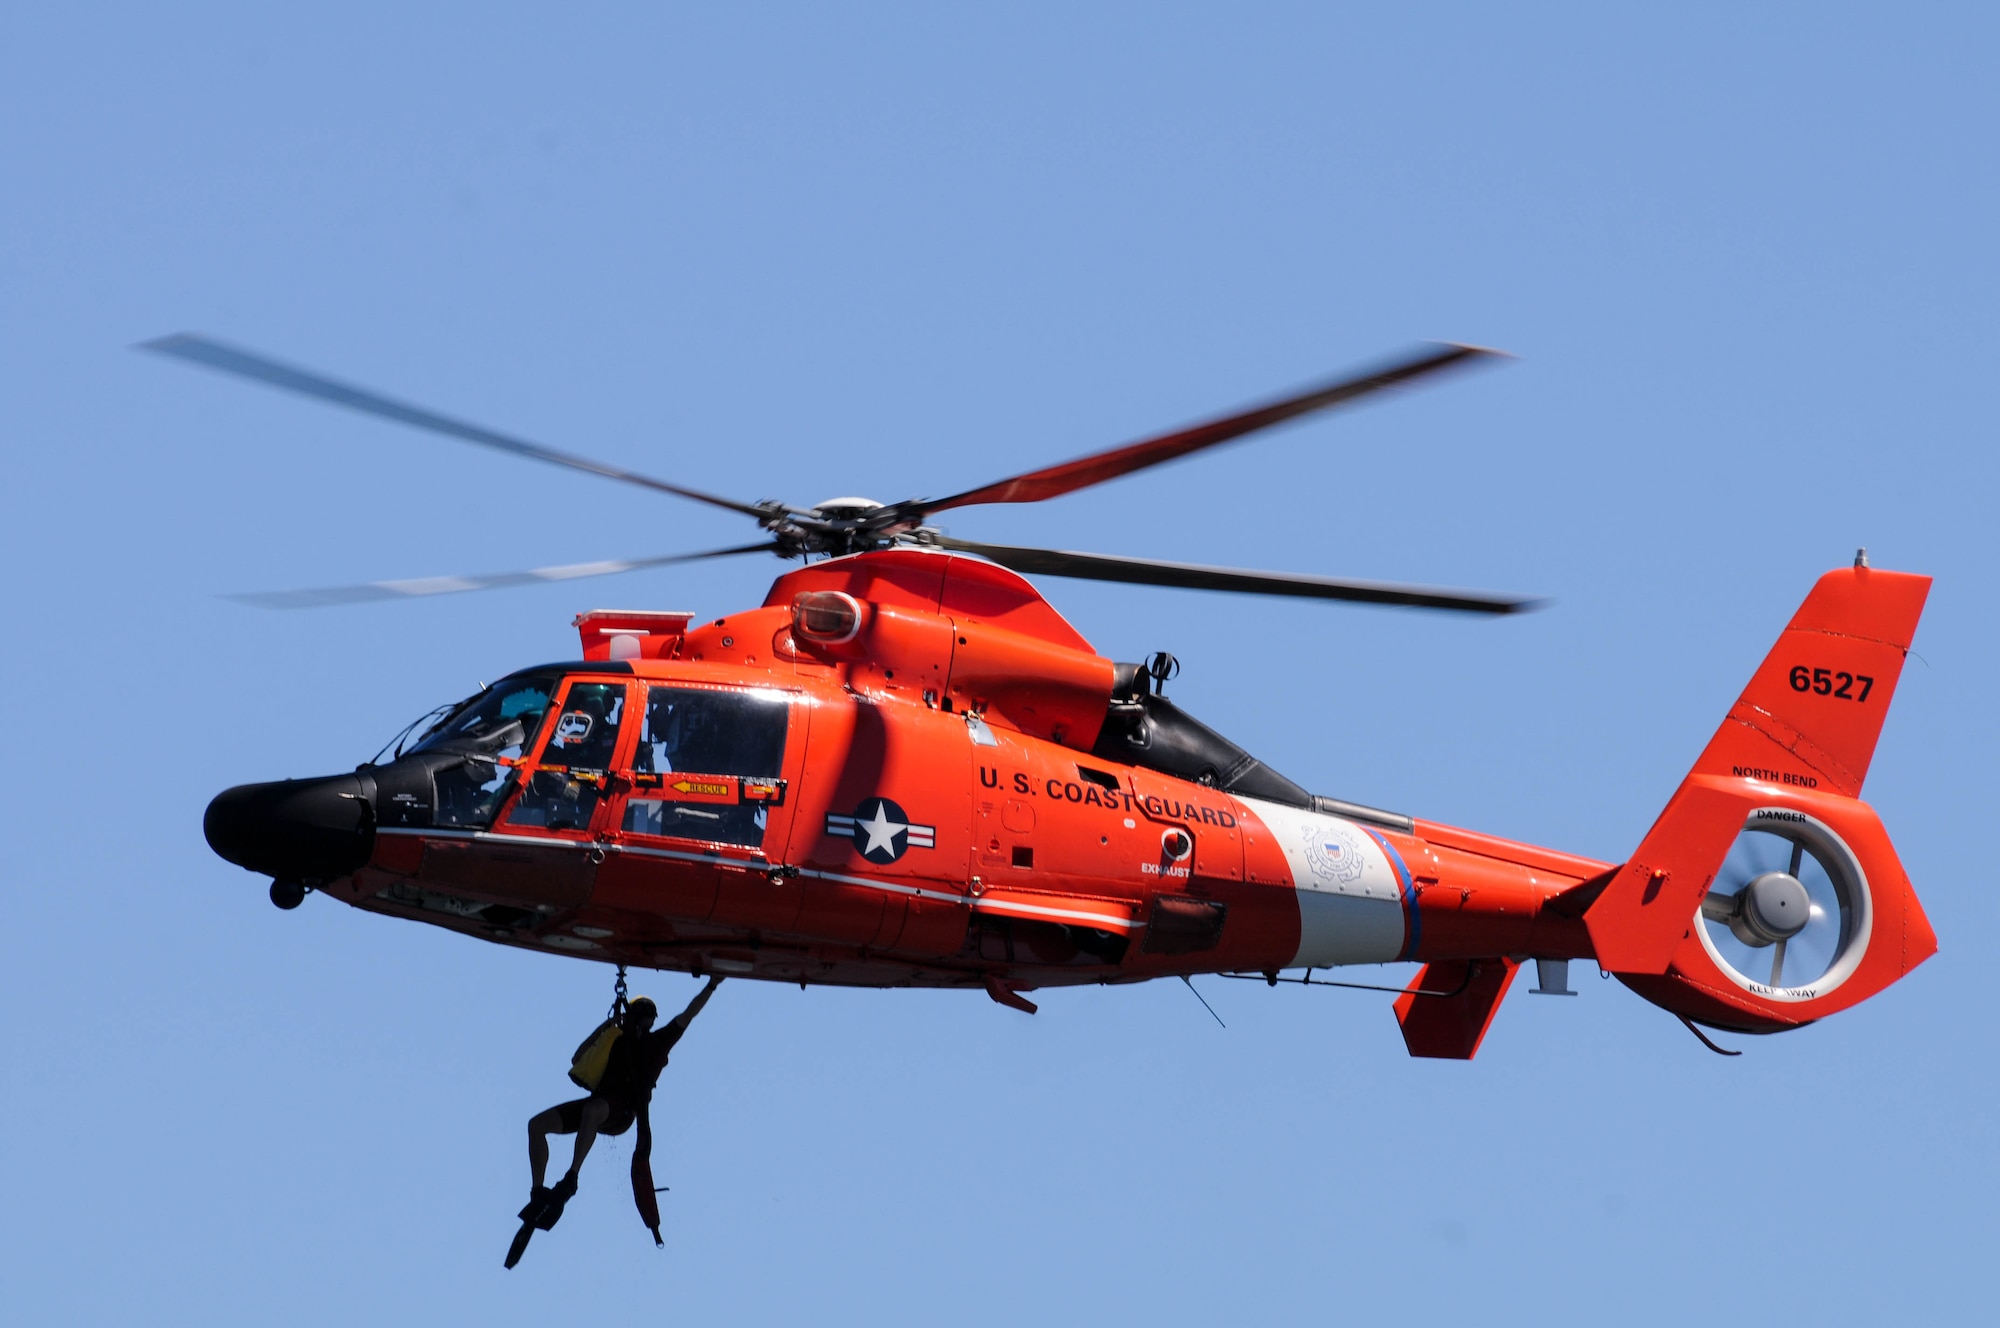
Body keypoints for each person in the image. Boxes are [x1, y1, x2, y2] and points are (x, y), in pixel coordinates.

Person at [518, 975, 724, 1250]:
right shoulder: (615, 1038)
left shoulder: (657, 1043)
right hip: (600, 1104)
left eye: (646, 1018)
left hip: (622, 1112)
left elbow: (689, 1013)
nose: (642, 1022)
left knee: (592, 1109)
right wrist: (607, 1026)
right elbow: (578, 1058)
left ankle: (571, 1177)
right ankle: (537, 1191)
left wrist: (712, 984)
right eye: (638, 1016)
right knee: (537, 1125)